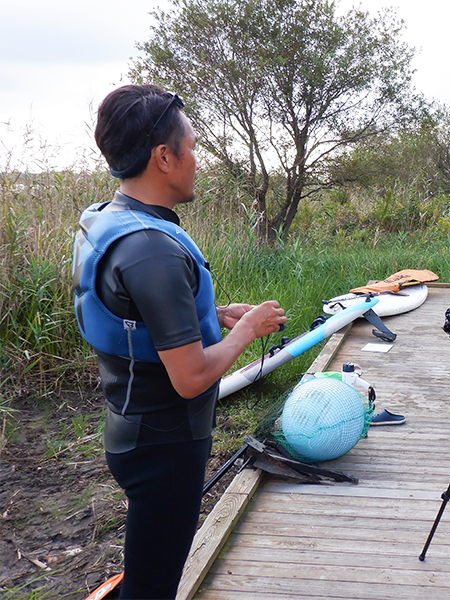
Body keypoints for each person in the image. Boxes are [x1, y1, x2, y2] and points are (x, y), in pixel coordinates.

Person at [72, 84, 287, 600]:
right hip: (164, 444)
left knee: (149, 566)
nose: (198, 162)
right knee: (153, 585)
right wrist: (246, 329)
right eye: (193, 148)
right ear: (164, 157)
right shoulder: (151, 249)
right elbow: (190, 378)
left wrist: (214, 315)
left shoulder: (113, 221)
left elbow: (135, 319)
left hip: (134, 428)